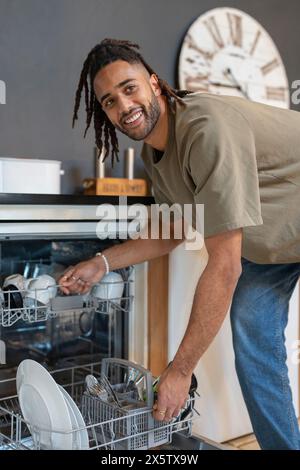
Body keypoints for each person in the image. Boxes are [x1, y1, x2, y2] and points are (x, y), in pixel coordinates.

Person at [59, 38, 300, 449]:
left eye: (129, 88)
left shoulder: (206, 129)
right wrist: (102, 262)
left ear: (154, 83)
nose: (123, 106)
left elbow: (224, 266)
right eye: (109, 101)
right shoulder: (156, 155)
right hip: (276, 244)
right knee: (253, 341)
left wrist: (179, 370)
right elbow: (172, 230)